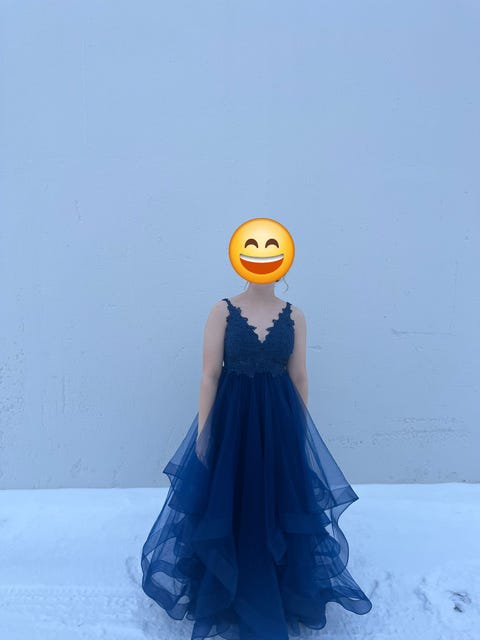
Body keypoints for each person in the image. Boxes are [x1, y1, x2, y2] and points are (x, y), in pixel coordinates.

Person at [141, 278, 372, 640]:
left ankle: (277, 590)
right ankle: (229, 589)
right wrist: (205, 432)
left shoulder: (295, 316)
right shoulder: (222, 311)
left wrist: (299, 431)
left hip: (278, 423)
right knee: (231, 500)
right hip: (232, 422)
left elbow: (299, 376)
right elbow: (209, 375)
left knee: (278, 503)